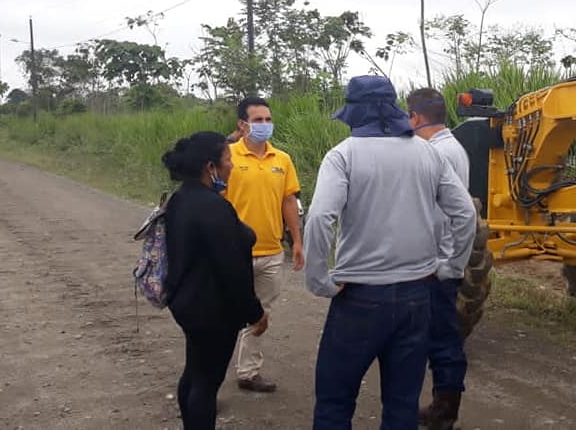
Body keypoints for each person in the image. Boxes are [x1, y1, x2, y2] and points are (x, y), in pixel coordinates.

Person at [303, 75, 477, 429]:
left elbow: (320, 218)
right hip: (417, 295)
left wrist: (320, 281)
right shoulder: (428, 152)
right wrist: (451, 267)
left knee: (336, 400)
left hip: (359, 297)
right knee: (401, 404)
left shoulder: (344, 155)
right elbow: (465, 214)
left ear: (355, 113)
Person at [160, 131, 268, 430]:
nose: (232, 165)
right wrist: (255, 312)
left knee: (194, 373)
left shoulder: (181, 198)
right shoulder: (213, 207)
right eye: (228, 159)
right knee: (206, 383)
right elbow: (231, 269)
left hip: (187, 302)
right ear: (211, 167)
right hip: (212, 311)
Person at [223, 97, 303, 393]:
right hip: (233, 253)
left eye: (268, 119)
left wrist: (297, 241)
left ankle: (248, 372)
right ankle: (208, 379)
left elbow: (288, 201)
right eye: (258, 120)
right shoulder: (227, 158)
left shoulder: (282, 160)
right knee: (224, 316)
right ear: (242, 125)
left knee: (261, 315)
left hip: (271, 251)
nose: (265, 125)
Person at [407, 87, 471, 430]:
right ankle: (443, 406)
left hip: (436, 262)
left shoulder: (434, 153)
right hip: (444, 258)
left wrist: (447, 265)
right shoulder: (453, 147)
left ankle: (444, 413)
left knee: (442, 338)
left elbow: (443, 214)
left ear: (415, 117)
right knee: (441, 335)